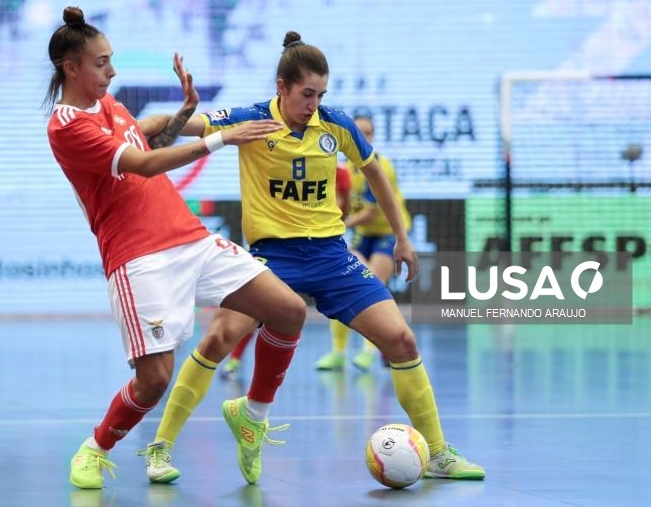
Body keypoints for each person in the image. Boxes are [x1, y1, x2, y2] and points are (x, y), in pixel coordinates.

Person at [144, 31, 485, 484]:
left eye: (321, 94)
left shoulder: (335, 125)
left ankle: (438, 453)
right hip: (272, 257)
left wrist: (401, 237)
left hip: (330, 256)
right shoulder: (250, 119)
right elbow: (174, 127)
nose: (314, 104)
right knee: (219, 337)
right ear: (281, 87)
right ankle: (161, 448)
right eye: (307, 94)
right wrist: (140, 126)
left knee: (402, 340)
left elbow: (375, 173)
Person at [44, 7, 306, 489]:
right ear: (71, 67)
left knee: (288, 310)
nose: (112, 71)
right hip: (138, 258)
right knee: (154, 381)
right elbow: (143, 164)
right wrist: (222, 138)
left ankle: (252, 415)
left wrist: (184, 112)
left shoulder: (110, 105)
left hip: (191, 239)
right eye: (101, 63)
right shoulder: (65, 126)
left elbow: (148, 140)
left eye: (111, 60)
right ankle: (95, 449)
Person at [219, 163, 352, 380]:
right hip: (281, 249)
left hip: (324, 248)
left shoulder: (341, 171)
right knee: (256, 309)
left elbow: (344, 208)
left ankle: (357, 353)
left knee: (357, 298)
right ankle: (234, 359)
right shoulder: (281, 164)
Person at [315, 114, 412, 373]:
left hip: (389, 232)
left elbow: (370, 212)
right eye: (359, 132)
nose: (363, 138)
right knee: (345, 285)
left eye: (368, 133)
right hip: (364, 234)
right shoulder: (344, 169)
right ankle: (338, 353)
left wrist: (340, 224)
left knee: (372, 284)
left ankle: (370, 352)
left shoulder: (379, 166)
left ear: (373, 137)